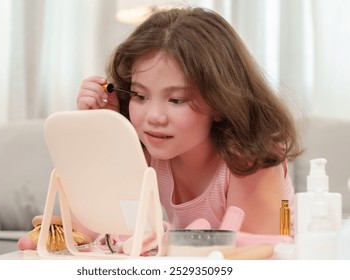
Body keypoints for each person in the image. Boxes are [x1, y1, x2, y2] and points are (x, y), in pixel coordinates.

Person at [18, 6, 301, 251]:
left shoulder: (251, 157)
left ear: (220, 99)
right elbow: (85, 231)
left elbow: (254, 257)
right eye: (140, 96)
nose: (154, 117)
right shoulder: (149, 149)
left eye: (176, 99)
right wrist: (106, 132)